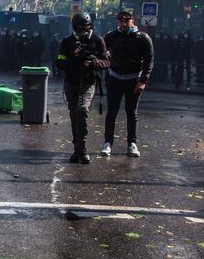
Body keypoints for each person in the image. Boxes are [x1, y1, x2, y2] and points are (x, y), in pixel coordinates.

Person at [56, 12, 109, 164]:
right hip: (71, 82)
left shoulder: (97, 40)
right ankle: (76, 148)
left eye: (85, 28)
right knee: (74, 114)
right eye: (79, 29)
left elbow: (106, 62)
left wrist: (93, 62)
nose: (83, 32)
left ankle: (83, 149)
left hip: (88, 82)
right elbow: (59, 62)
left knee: (82, 110)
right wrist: (72, 59)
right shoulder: (67, 41)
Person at [101, 11, 153, 157]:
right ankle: (107, 143)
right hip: (114, 78)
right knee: (111, 112)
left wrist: (143, 81)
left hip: (133, 80)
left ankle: (132, 144)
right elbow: (100, 50)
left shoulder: (143, 38)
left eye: (126, 21)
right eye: (121, 21)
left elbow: (149, 60)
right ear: (118, 22)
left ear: (133, 21)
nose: (123, 24)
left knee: (132, 113)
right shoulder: (112, 36)